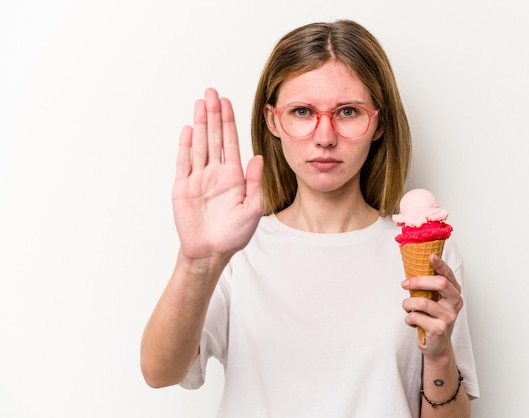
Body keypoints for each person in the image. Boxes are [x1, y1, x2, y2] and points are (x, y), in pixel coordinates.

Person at [141, 20, 479, 417]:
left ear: (379, 124)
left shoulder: (426, 254)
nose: (325, 136)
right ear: (272, 121)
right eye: (302, 111)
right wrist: (196, 262)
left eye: (348, 111)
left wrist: (439, 355)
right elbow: (160, 371)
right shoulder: (237, 251)